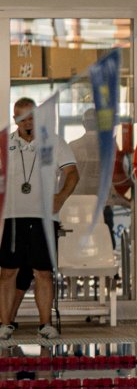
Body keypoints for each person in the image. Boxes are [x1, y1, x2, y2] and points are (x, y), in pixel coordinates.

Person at [0, 98, 78, 342]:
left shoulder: (54, 142)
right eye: (21, 118)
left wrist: (61, 197)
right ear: (14, 120)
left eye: (31, 117)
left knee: (42, 272)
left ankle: (45, 324)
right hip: (12, 218)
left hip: (44, 218)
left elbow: (72, 173)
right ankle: (4, 325)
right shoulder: (4, 143)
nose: (27, 122)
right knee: (8, 273)